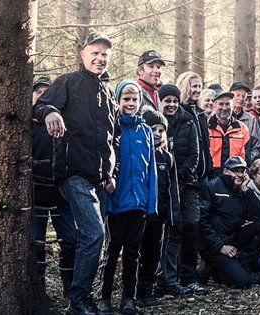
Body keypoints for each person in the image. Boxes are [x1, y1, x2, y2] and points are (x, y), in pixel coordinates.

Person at [33, 31, 119, 315]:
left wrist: (111, 172)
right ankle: (78, 301)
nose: (99, 58)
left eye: (104, 54)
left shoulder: (107, 93)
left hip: (100, 180)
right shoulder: (67, 82)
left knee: (95, 238)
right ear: (83, 55)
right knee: (94, 234)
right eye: (94, 53)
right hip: (72, 174)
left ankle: (84, 297)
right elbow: (40, 106)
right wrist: (49, 113)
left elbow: (112, 137)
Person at [97, 81, 157, 315]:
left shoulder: (145, 131)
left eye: (134, 100)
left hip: (139, 202)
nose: (130, 103)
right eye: (126, 99)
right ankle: (104, 297)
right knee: (112, 250)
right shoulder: (114, 128)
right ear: (118, 101)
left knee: (133, 252)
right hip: (116, 202)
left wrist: (150, 203)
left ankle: (128, 298)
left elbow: (151, 169)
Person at [159, 72, 211, 297]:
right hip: (163, 186)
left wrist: (180, 176)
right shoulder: (156, 121)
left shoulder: (190, 120)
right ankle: (164, 279)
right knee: (169, 231)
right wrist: (168, 179)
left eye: (173, 100)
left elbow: (195, 154)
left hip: (188, 183)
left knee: (190, 228)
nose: (170, 104)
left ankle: (188, 277)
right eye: (166, 101)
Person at [29, 75, 77, 301]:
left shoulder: (65, 123)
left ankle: (69, 287)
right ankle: (38, 290)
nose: (42, 95)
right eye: (38, 92)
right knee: (35, 243)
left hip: (62, 196)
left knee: (69, 240)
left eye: (46, 92)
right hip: (35, 195)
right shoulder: (25, 125)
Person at [199, 157, 260, 288]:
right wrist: (220, 246)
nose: (239, 175)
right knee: (243, 282)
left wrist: (246, 191)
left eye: (242, 171)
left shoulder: (241, 190)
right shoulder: (211, 186)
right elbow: (201, 222)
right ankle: (217, 271)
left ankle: (244, 264)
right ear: (225, 171)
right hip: (214, 244)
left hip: (234, 238)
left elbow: (259, 215)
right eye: (235, 171)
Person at [135, 86, 178, 308]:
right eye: (153, 128)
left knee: (153, 253)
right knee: (136, 252)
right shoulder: (138, 152)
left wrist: (172, 214)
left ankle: (148, 288)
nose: (157, 133)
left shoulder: (167, 158)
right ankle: (133, 290)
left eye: (161, 130)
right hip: (138, 212)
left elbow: (172, 189)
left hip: (158, 215)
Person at [208, 91, 260, 173]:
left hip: (235, 175)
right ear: (214, 106)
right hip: (212, 175)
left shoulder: (242, 128)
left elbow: (245, 157)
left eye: (227, 104)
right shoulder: (207, 127)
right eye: (221, 104)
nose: (224, 108)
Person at [230, 82, 260, 147]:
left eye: (243, 96)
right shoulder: (223, 118)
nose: (241, 99)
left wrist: (247, 157)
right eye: (238, 95)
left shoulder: (251, 120)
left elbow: (258, 147)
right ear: (231, 96)